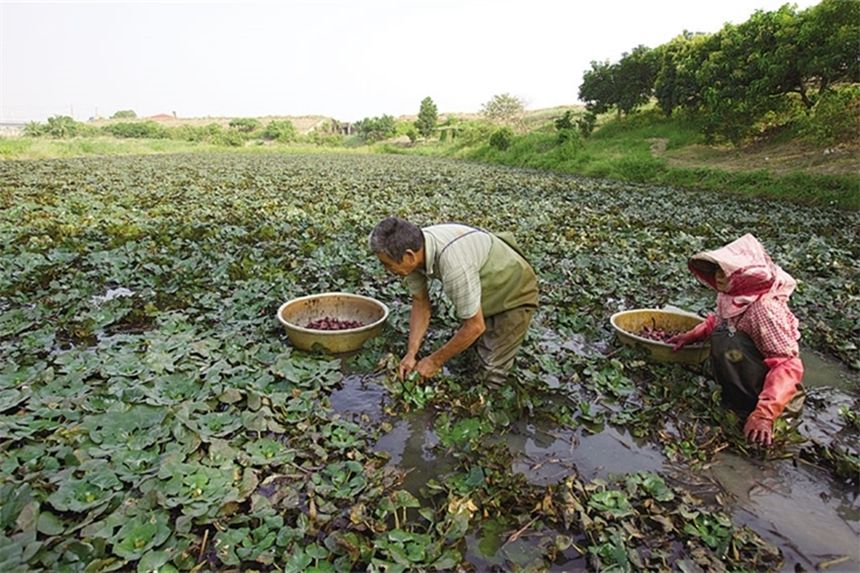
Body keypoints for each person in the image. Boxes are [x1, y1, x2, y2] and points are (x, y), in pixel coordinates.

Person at [668, 234, 804, 447]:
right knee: (725, 335)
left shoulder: (764, 310)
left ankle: (757, 413)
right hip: (742, 386)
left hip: (773, 401)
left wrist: (764, 415)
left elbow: (788, 366)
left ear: (746, 275)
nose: (719, 277)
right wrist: (692, 335)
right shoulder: (731, 296)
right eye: (717, 271)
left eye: (725, 272)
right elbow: (721, 322)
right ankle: (736, 400)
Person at [369, 217, 539, 386]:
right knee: (470, 355)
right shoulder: (416, 249)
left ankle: (490, 401)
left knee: (490, 370)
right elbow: (420, 303)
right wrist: (411, 354)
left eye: (388, 264)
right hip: (483, 285)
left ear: (409, 255)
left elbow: (475, 326)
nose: (387, 270)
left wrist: (434, 362)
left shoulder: (453, 264)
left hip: (514, 289)